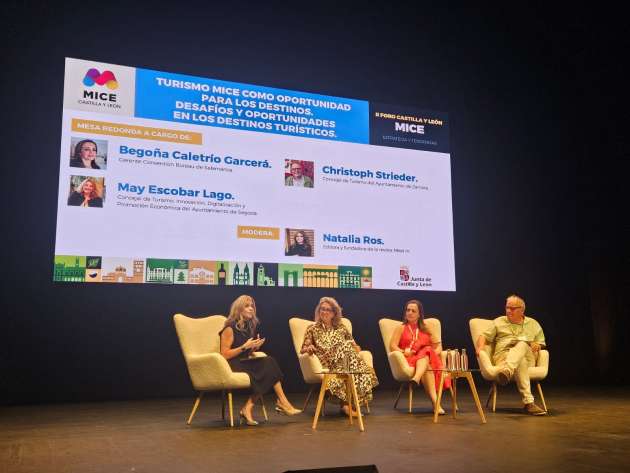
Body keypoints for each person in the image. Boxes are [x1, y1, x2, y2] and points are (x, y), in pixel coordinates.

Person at [219, 295, 301, 425]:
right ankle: (282, 402)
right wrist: (244, 347)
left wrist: (253, 348)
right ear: (239, 309)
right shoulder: (230, 327)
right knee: (269, 364)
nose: (251, 308)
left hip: (243, 362)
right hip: (231, 365)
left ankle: (249, 408)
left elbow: (245, 352)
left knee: (269, 365)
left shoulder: (247, 327)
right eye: (247, 306)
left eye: (252, 306)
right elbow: (224, 354)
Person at [300, 297, 378, 416]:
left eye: (328, 310)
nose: (324, 312)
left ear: (334, 313)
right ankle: (347, 405)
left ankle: (346, 404)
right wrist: (309, 348)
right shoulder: (312, 328)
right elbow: (303, 349)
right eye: (322, 309)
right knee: (352, 362)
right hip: (327, 363)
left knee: (347, 351)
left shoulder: (341, 328)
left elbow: (356, 347)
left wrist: (350, 348)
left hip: (346, 361)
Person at [475, 294, 547, 415]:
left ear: (522, 310)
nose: (509, 311)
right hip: (503, 356)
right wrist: (480, 348)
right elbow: (483, 336)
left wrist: (537, 345)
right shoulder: (498, 321)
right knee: (520, 361)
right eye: (507, 307)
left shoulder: (533, 323)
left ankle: (507, 370)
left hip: (528, 356)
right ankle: (529, 403)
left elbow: (541, 343)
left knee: (522, 344)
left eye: (512, 308)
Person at [389, 299, 450, 414]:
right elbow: (392, 346)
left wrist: (431, 353)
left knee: (426, 352)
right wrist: (403, 351)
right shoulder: (401, 328)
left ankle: (417, 379)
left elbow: (438, 347)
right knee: (426, 360)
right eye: (408, 310)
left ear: (419, 314)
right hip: (410, 359)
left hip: (428, 359)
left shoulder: (426, 328)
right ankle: (436, 404)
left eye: (413, 311)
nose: (410, 313)